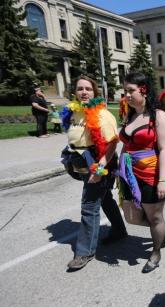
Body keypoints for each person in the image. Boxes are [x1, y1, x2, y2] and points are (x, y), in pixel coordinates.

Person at [63, 76, 128, 271]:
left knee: (89, 205)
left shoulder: (102, 115)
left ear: (95, 92)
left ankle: (84, 252)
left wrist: (100, 170)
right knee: (105, 198)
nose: (84, 92)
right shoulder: (75, 111)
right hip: (82, 161)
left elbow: (111, 144)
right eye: (80, 88)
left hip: (99, 162)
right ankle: (118, 230)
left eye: (88, 89)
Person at [118, 72, 165, 273]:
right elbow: (126, 144)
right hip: (128, 175)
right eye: (125, 91)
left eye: (131, 90)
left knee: (155, 217)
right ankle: (161, 231)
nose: (127, 95)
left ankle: (156, 251)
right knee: (131, 217)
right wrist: (120, 169)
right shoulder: (130, 115)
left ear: (144, 90)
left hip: (151, 175)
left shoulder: (159, 116)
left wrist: (162, 181)